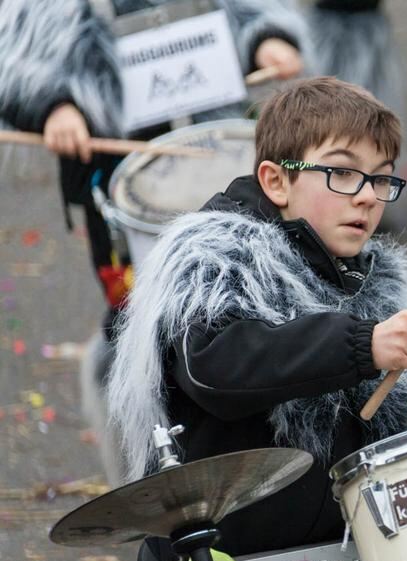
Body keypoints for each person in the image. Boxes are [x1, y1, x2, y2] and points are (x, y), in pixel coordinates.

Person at [104, 76, 407, 561]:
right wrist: (363, 343)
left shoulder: (368, 274)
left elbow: (351, 431)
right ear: (277, 179)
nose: (368, 195)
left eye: (381, 178)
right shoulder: (212, 258)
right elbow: (221, 369)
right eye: (344, 172)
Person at [0, 0, 307, 333]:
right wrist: (51, 105)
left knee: (247, 288)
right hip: (117, 178)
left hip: (217, 159)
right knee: (142, 314)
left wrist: (267, 38)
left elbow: (248, 11)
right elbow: (18, 52)